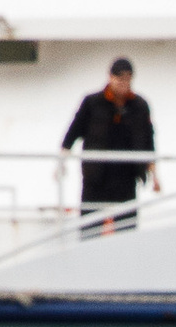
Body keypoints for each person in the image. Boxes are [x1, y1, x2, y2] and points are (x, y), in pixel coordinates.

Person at [60, 58, 156, 227]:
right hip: (96, 176)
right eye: (120, 78)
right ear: (111, 77)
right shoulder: (92, 103)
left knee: (126, 226)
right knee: (90, 225)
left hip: (126, 176)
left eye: (127, 79)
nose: (123, 83)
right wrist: (61, 161)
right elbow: (74, 131)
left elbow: (148, 140)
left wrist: (154, 175)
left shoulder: (139, 106)